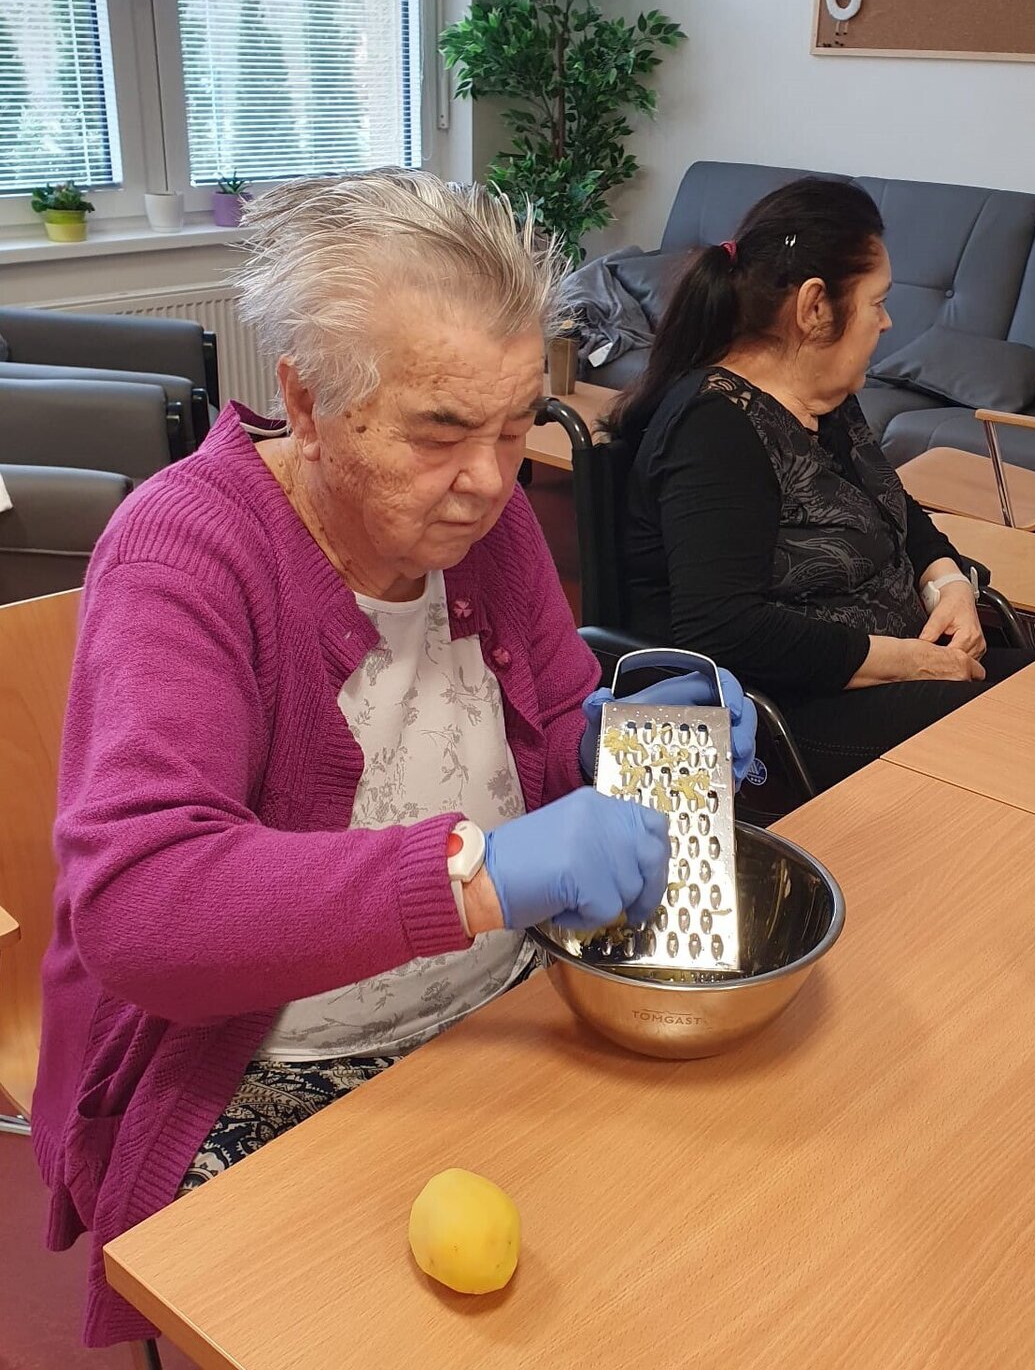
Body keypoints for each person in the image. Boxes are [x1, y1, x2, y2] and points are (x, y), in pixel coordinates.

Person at [32, 170, 756, 1350]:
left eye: (517, 426)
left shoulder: (484, 524)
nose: (492, 481)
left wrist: (620, 739)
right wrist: (479, 876)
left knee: (687, 1266)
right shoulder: (185, 556)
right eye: (441, 431)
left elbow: (553, 717)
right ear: (308, 402)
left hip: (500, 1015)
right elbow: (140, 906)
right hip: (263, 1066)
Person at [610, 177, 1034, 794]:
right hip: (786, 718)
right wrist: (908, 661)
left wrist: (948, 584)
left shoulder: (824, 398)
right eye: (877, 302)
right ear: (815, 308)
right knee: (1028, 735)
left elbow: (892, 508)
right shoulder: (716, 429)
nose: (886, 322)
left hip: (885, 674)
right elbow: (722, 629)